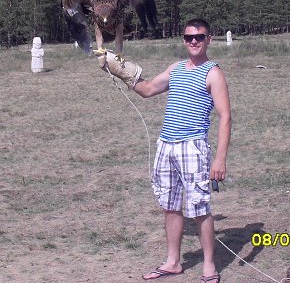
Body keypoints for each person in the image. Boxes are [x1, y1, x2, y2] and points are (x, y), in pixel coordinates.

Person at [99, 19, 231, 283]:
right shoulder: (176, 69)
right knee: (170, 207)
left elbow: (225, 117)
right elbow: (147, 89)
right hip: (166, 146)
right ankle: (172, 262)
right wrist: (118, 69)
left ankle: (208, 266)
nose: (194, 41)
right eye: (189, 37)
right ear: (183, 40)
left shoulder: (213, 73)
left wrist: (220, 159)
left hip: (193, 147)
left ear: (209, 39)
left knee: (200, 208)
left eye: (199, 37)